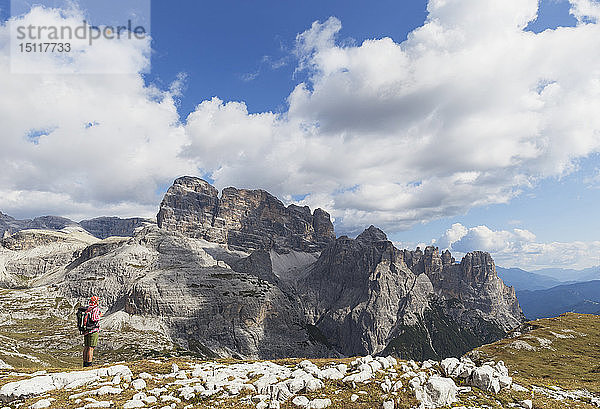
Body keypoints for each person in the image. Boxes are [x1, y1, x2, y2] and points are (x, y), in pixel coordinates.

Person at [82, 295, 102, 367]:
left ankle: (84, 363)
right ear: (96, 302)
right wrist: (100, 316)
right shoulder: (95, 308)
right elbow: (94, 319)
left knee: (86, 347)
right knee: (91, 348)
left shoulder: (88, 308)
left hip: (86, 330)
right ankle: (89, 364)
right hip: (93, 330)